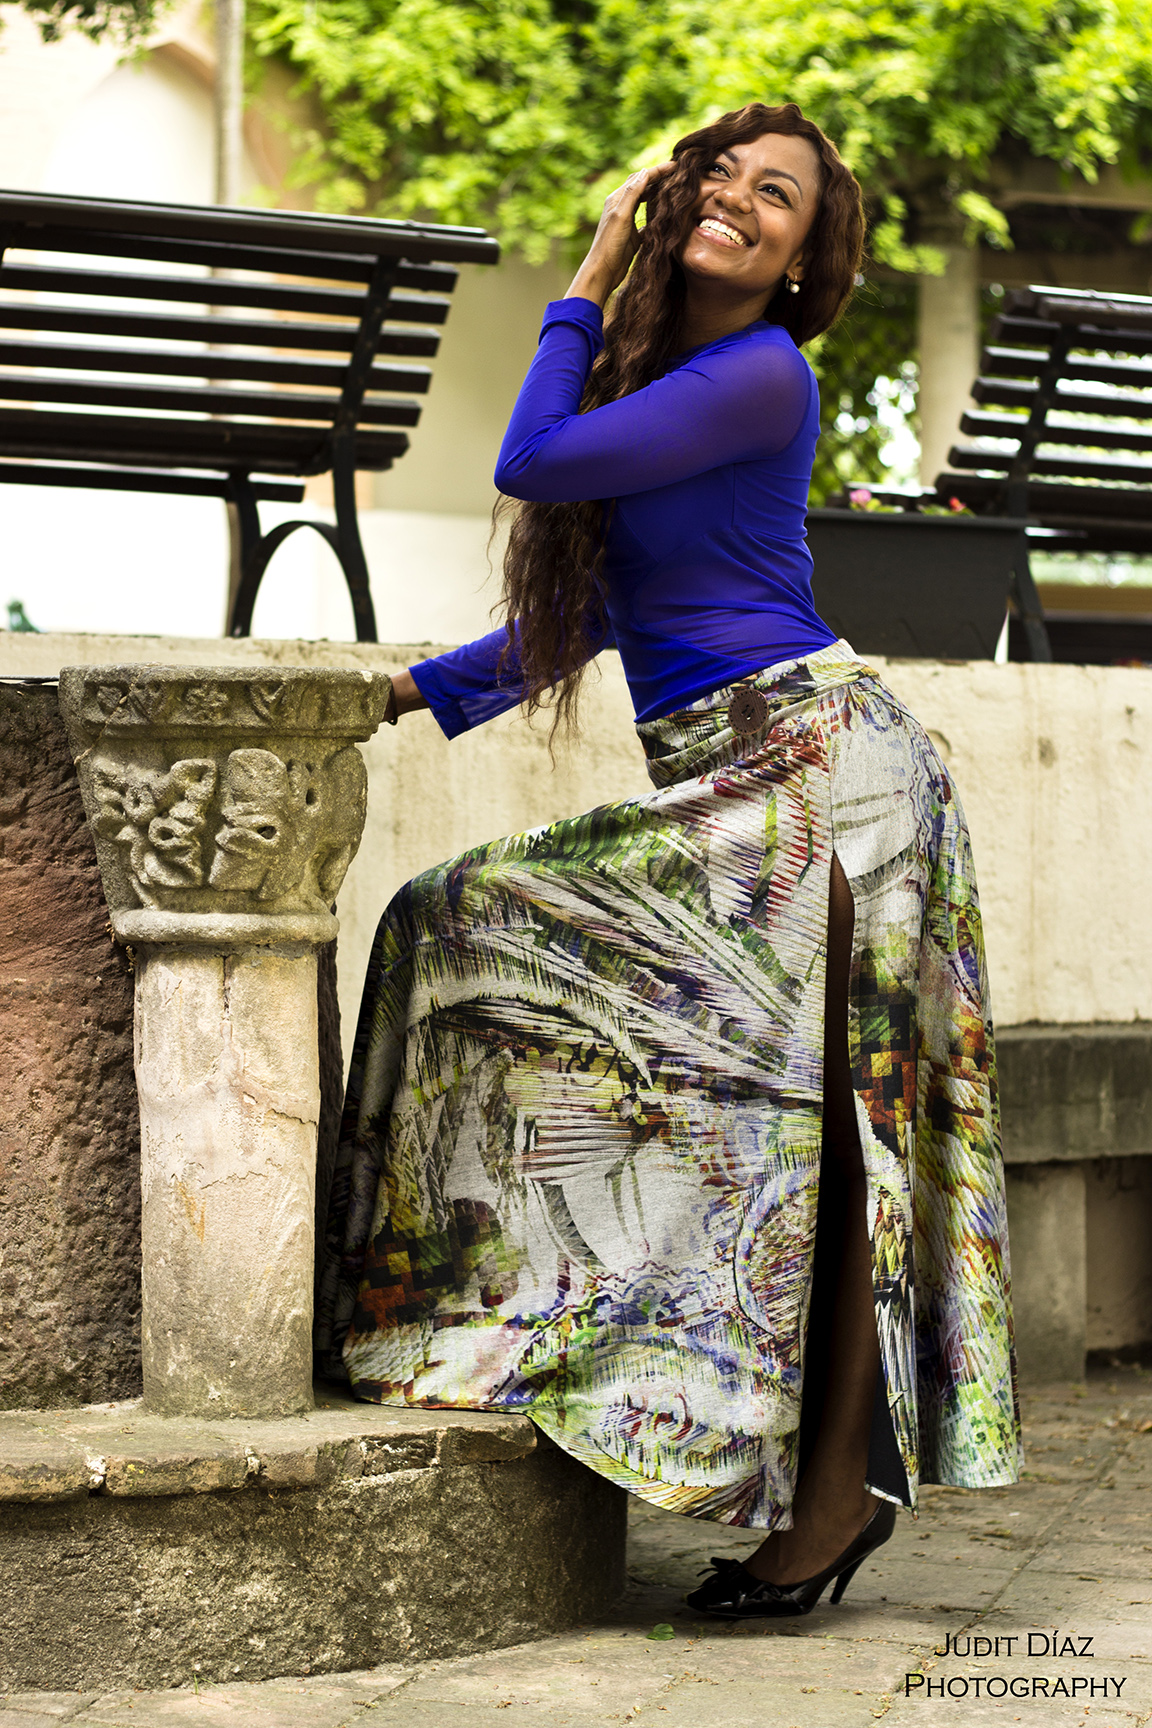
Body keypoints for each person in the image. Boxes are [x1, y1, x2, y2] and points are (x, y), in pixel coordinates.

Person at [316, 100, 1021, 1619]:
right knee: (466, 933)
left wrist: (587, 265)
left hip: (824, 777)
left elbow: (532, 462)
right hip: (748, 774)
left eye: (780, 196)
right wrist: (392, 695)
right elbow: (600, 612)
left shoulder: (760, 372)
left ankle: (827, 1504)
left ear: (802, 261)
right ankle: (550, 1341)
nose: (739, 201)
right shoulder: (677, 384)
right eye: (722, 174)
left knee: (844, 1143)